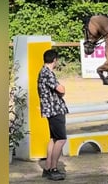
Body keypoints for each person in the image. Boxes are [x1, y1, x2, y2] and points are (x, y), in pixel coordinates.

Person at [37, 49, 69, 181]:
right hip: (55, 109)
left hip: (50, 109)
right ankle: (53, 169)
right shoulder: (47, 73)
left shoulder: (43, 72)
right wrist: (62, 90)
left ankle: (48, 167)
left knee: (54, 139)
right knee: (61, 139)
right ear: (55, 60)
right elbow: (60, 89)